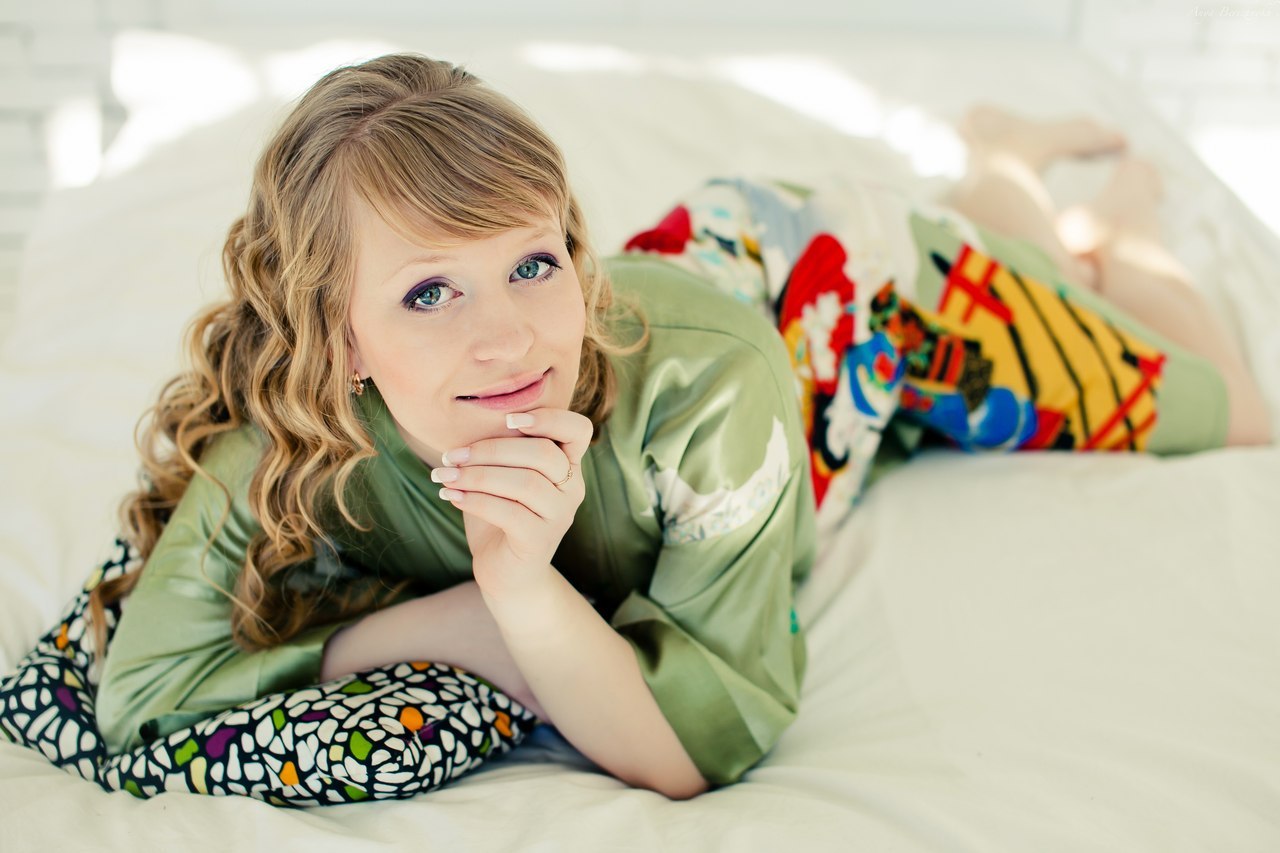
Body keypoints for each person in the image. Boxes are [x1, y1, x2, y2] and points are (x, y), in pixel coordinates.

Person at [80, 53, 1269, 802]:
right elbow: (144, 698)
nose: (509, 341)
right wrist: (452, 621)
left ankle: (1077, 207)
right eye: (429, 292)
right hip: (710, 275)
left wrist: (522, 592)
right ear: (337, 338)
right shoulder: (294, 433)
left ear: (572, 256)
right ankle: (1002, 180)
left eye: (532, 264)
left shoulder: (707, 397)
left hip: (854, 300)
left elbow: (703, 744)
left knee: (1231, 411)